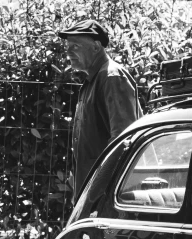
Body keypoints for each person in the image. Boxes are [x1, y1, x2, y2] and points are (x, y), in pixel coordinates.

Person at [58, 19, 142, 201]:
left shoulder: (111, 77)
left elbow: (124, 139)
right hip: (92, 189)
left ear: (96, 47)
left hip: (107, 192)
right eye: (67, 46)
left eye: (75, 46)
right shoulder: (93, 80)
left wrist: (101, 189)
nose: (68, 52)